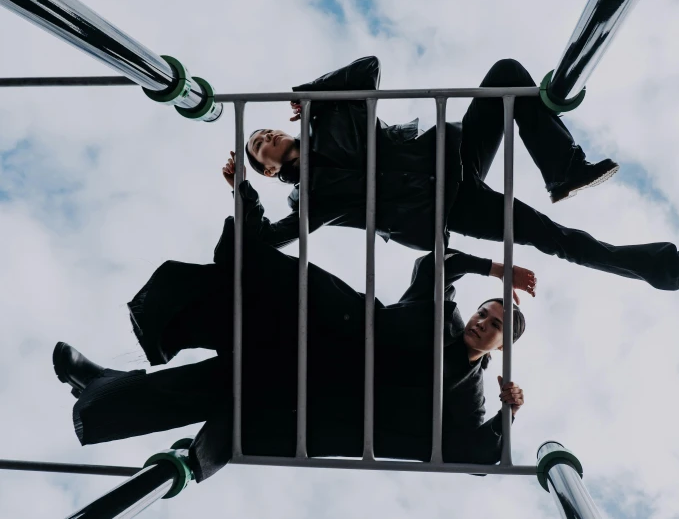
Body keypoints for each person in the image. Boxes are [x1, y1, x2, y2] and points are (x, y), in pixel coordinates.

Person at [52, 181, 533, 483]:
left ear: (501, 346)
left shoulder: (469, 394)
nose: (480, 323)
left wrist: (508, 413)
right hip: (318, 327)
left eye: (492, 326)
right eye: (482, 313)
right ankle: (105, 380)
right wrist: (495, 269)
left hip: (318, 394)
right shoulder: (441, 316)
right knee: (237, 290)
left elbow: (474, 455)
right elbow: (437, 262)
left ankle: (100, 389)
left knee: (214, 388)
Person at [224, 56, 679, 292]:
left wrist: (311, 92)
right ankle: (666, 269)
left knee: (506, 74)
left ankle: (564, 171)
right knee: (557, 238)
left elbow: (370, 68)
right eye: (258, 146)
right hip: (450, 207)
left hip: (451, 156)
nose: (266, 137)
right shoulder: (309, 199)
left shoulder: (331, 117)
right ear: (269, 170)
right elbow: (267, 239)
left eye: (265, 130)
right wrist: (239, 191)